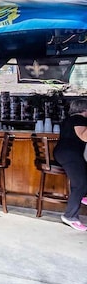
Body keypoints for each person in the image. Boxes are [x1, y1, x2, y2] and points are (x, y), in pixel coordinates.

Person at [53, 98, 87, 231]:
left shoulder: (69, 119)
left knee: (83, 173)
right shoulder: (79, 119)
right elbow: (84, 137)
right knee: (79, 184)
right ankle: (70, 216)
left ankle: (83, 196)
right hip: (69, 154)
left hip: (65, 153)